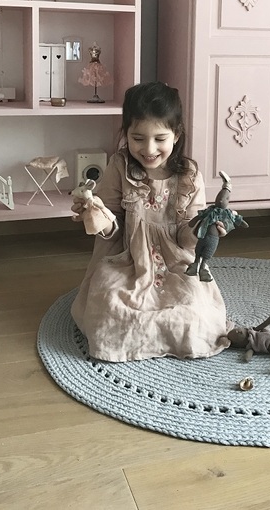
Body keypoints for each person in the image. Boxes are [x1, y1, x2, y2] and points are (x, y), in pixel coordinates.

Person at [70, 81, 231, 362]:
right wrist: (95, 215)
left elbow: (185, 237)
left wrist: (202, 230)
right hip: (126, 260)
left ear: (176, 135)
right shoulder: (119, 167)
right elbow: (112, 230)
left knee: (194, 308)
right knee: (108, 304)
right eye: (138, 138)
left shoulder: (189, 175)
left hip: (176, 263)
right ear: (126, 134)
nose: (149, 149)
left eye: (160, 138)